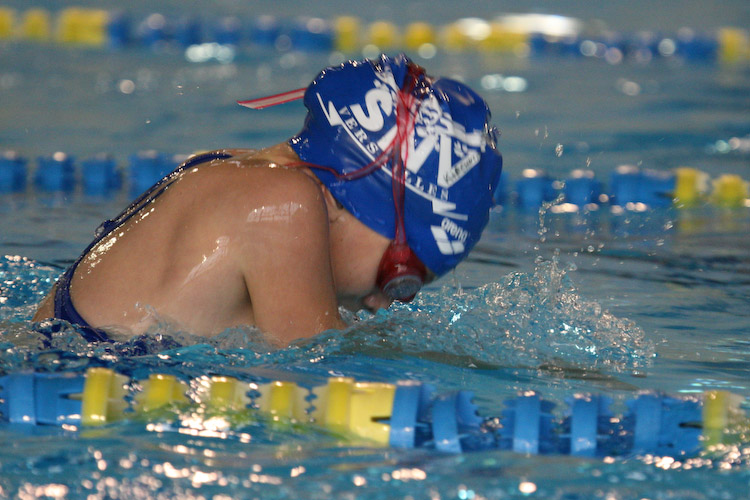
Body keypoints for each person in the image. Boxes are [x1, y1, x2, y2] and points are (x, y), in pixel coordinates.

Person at [33, 54, 503, 346]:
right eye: (399, 280)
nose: (384, 304)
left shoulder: (234, 168)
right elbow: (316, 374)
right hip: (73, 389)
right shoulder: (284, 205)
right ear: (354, 201)